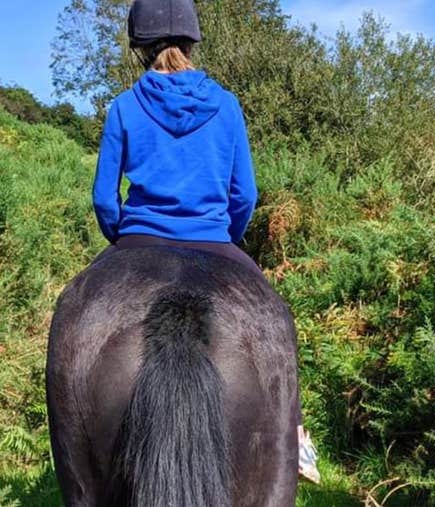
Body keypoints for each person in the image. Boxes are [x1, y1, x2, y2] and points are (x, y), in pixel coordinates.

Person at [91, 0, 320, 485]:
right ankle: (296, 442)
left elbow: (104, 199)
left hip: (137, 237)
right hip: (214, 239)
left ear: (139, 48)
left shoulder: (124, 107)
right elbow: (246, 194)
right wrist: (227, 241)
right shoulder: (228, 105)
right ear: (193, 43)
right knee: (277, 318)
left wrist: (120, 237)